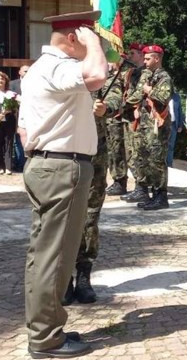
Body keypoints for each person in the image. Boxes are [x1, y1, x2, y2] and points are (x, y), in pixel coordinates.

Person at [17, 10, 107, 358]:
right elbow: (97, 73)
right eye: (85, 37)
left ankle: (46, 325)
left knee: (44, 256)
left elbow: (25, 130)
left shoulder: (44, 68)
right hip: (62, 168)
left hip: (50, 165)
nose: (90, 44)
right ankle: (45, 338)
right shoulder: (58, 66)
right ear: (74, 38)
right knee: (55, 258)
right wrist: (94, 44)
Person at [62, 60, 123, 306]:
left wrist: (106, 107)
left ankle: (84, 275)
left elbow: (117, 96)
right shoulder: (63, 69)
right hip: (64, 151)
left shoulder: (103, 73)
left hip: (94, 154)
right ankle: (63, 277)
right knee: (63, 216)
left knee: (90, 215)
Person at [124, 44, 174, 211]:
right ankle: (152, 194)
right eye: (143, 58)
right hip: (146, 124)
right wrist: (120, 107)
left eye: (147, 58)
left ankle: (161, 196)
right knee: (147, 159)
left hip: (158, 125)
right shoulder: (148, 76)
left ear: (157, 58)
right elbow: (137, 95)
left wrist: (149, 90)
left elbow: (164, 97)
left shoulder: (164, 77)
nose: (144, 62)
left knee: (157, 160)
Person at [118, 43, 148, 201]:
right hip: (128, 116)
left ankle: (142, 187)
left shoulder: (146, 73)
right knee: (130, 153)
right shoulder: (132, 72)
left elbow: (139, 93)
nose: (129, 56)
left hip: (138, 116)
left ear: (141, 55)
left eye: (132, 54)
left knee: (138, 153)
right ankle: (139, 185)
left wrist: (122, 105)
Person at [0, 71, 18, 175]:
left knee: (8, 144)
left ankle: (8, 167)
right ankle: (0, 167)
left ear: (6, 81)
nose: (1, 81)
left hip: (9, 121)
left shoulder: (11, 93)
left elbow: (16, 106)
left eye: (2, 79)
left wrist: (11, 110)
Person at [10, 64, 29, 172]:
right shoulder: (13, 84)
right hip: (16, 114)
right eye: (25, 71)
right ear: (20, 72)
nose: (27, 73)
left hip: (30, 114)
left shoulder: (35, 83)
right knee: (17, 141)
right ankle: (19, 163)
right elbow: (9, 96)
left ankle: (26, 163)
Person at [167, 89, 184, 167]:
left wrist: (180, 125)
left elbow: (180, 111)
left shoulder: (176, 96)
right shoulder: (161, 94)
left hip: (173, 124)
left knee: (171, 145)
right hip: (163, 123)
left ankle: (169, 164)